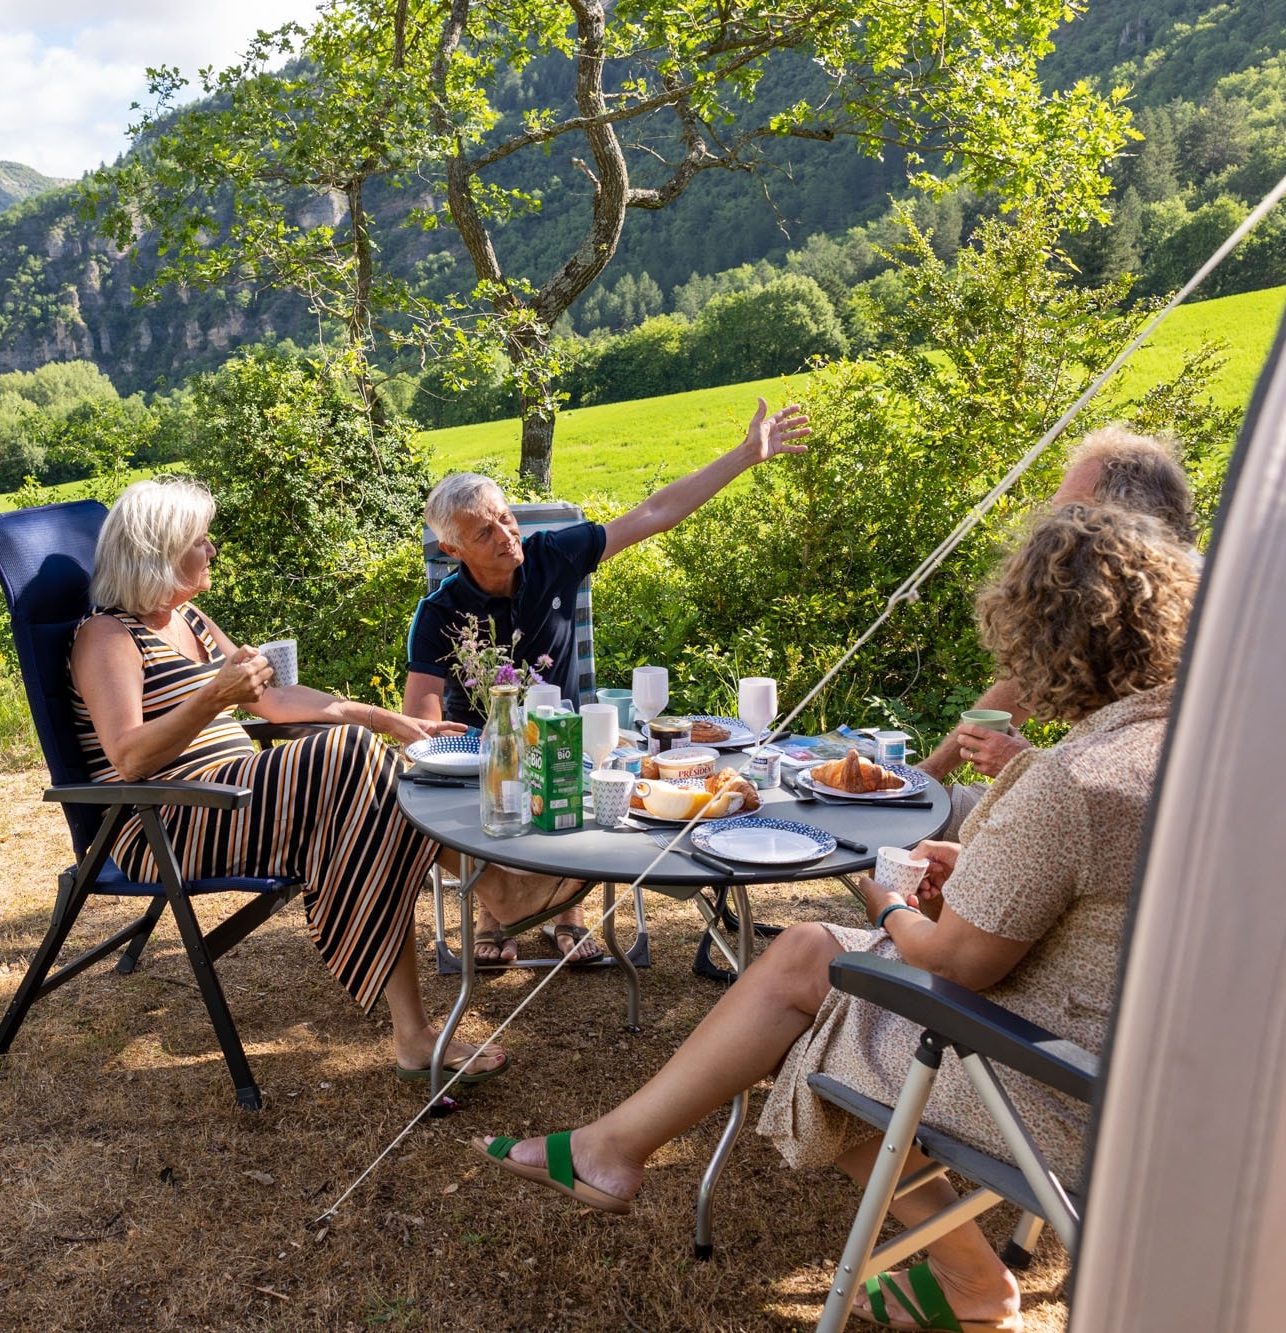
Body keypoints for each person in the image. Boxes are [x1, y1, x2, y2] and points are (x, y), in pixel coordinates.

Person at [473, 504, 1197, 1332]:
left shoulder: (1074, 781)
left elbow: (957, 961)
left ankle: (966, 1278)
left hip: (1063, 1086)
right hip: (1165, 1071)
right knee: (808, 953)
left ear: (1040, 640)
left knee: (812, 1012)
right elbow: (1103, 894)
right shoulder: (1186, 745)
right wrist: (974, 869)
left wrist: (882, 897)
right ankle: (613, 1149)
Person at [71, 478, 591, 1085]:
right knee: (346, 756)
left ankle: (415, 1034)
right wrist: (216, 695)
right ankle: (500, 891)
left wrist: (381, 716)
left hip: (240, 803)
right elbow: (129, 758)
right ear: (157, 550)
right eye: (200, 541)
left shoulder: (189, 619)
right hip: (170, 820)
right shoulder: (104, 637)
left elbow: (275, 699)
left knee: (376, 794)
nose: (212, 551)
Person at [402, 399, 813, 964]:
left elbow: (654, 512)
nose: (506, 535)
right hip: (485, 756)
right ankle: (495, 912)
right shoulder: (438, 612)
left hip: (570, 749)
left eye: (505, 517)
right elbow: (422, 717)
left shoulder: (553, 557)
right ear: (452, 550)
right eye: (484, 531)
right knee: (443, 798)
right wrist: (448, 754)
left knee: (591, 776)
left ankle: (564, 914)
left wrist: (745, 456)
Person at [918, 427, 1197, 828]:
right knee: (921, 812)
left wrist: (1030, 768)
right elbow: (1030, 676)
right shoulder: (1122, 590)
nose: (1050, 532)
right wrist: (932, 770)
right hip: (1064, 793)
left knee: (931, 842)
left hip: (1098, 821)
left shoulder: (1199, 614)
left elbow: (1135, 799)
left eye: (1071, 514)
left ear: (1127, 520)